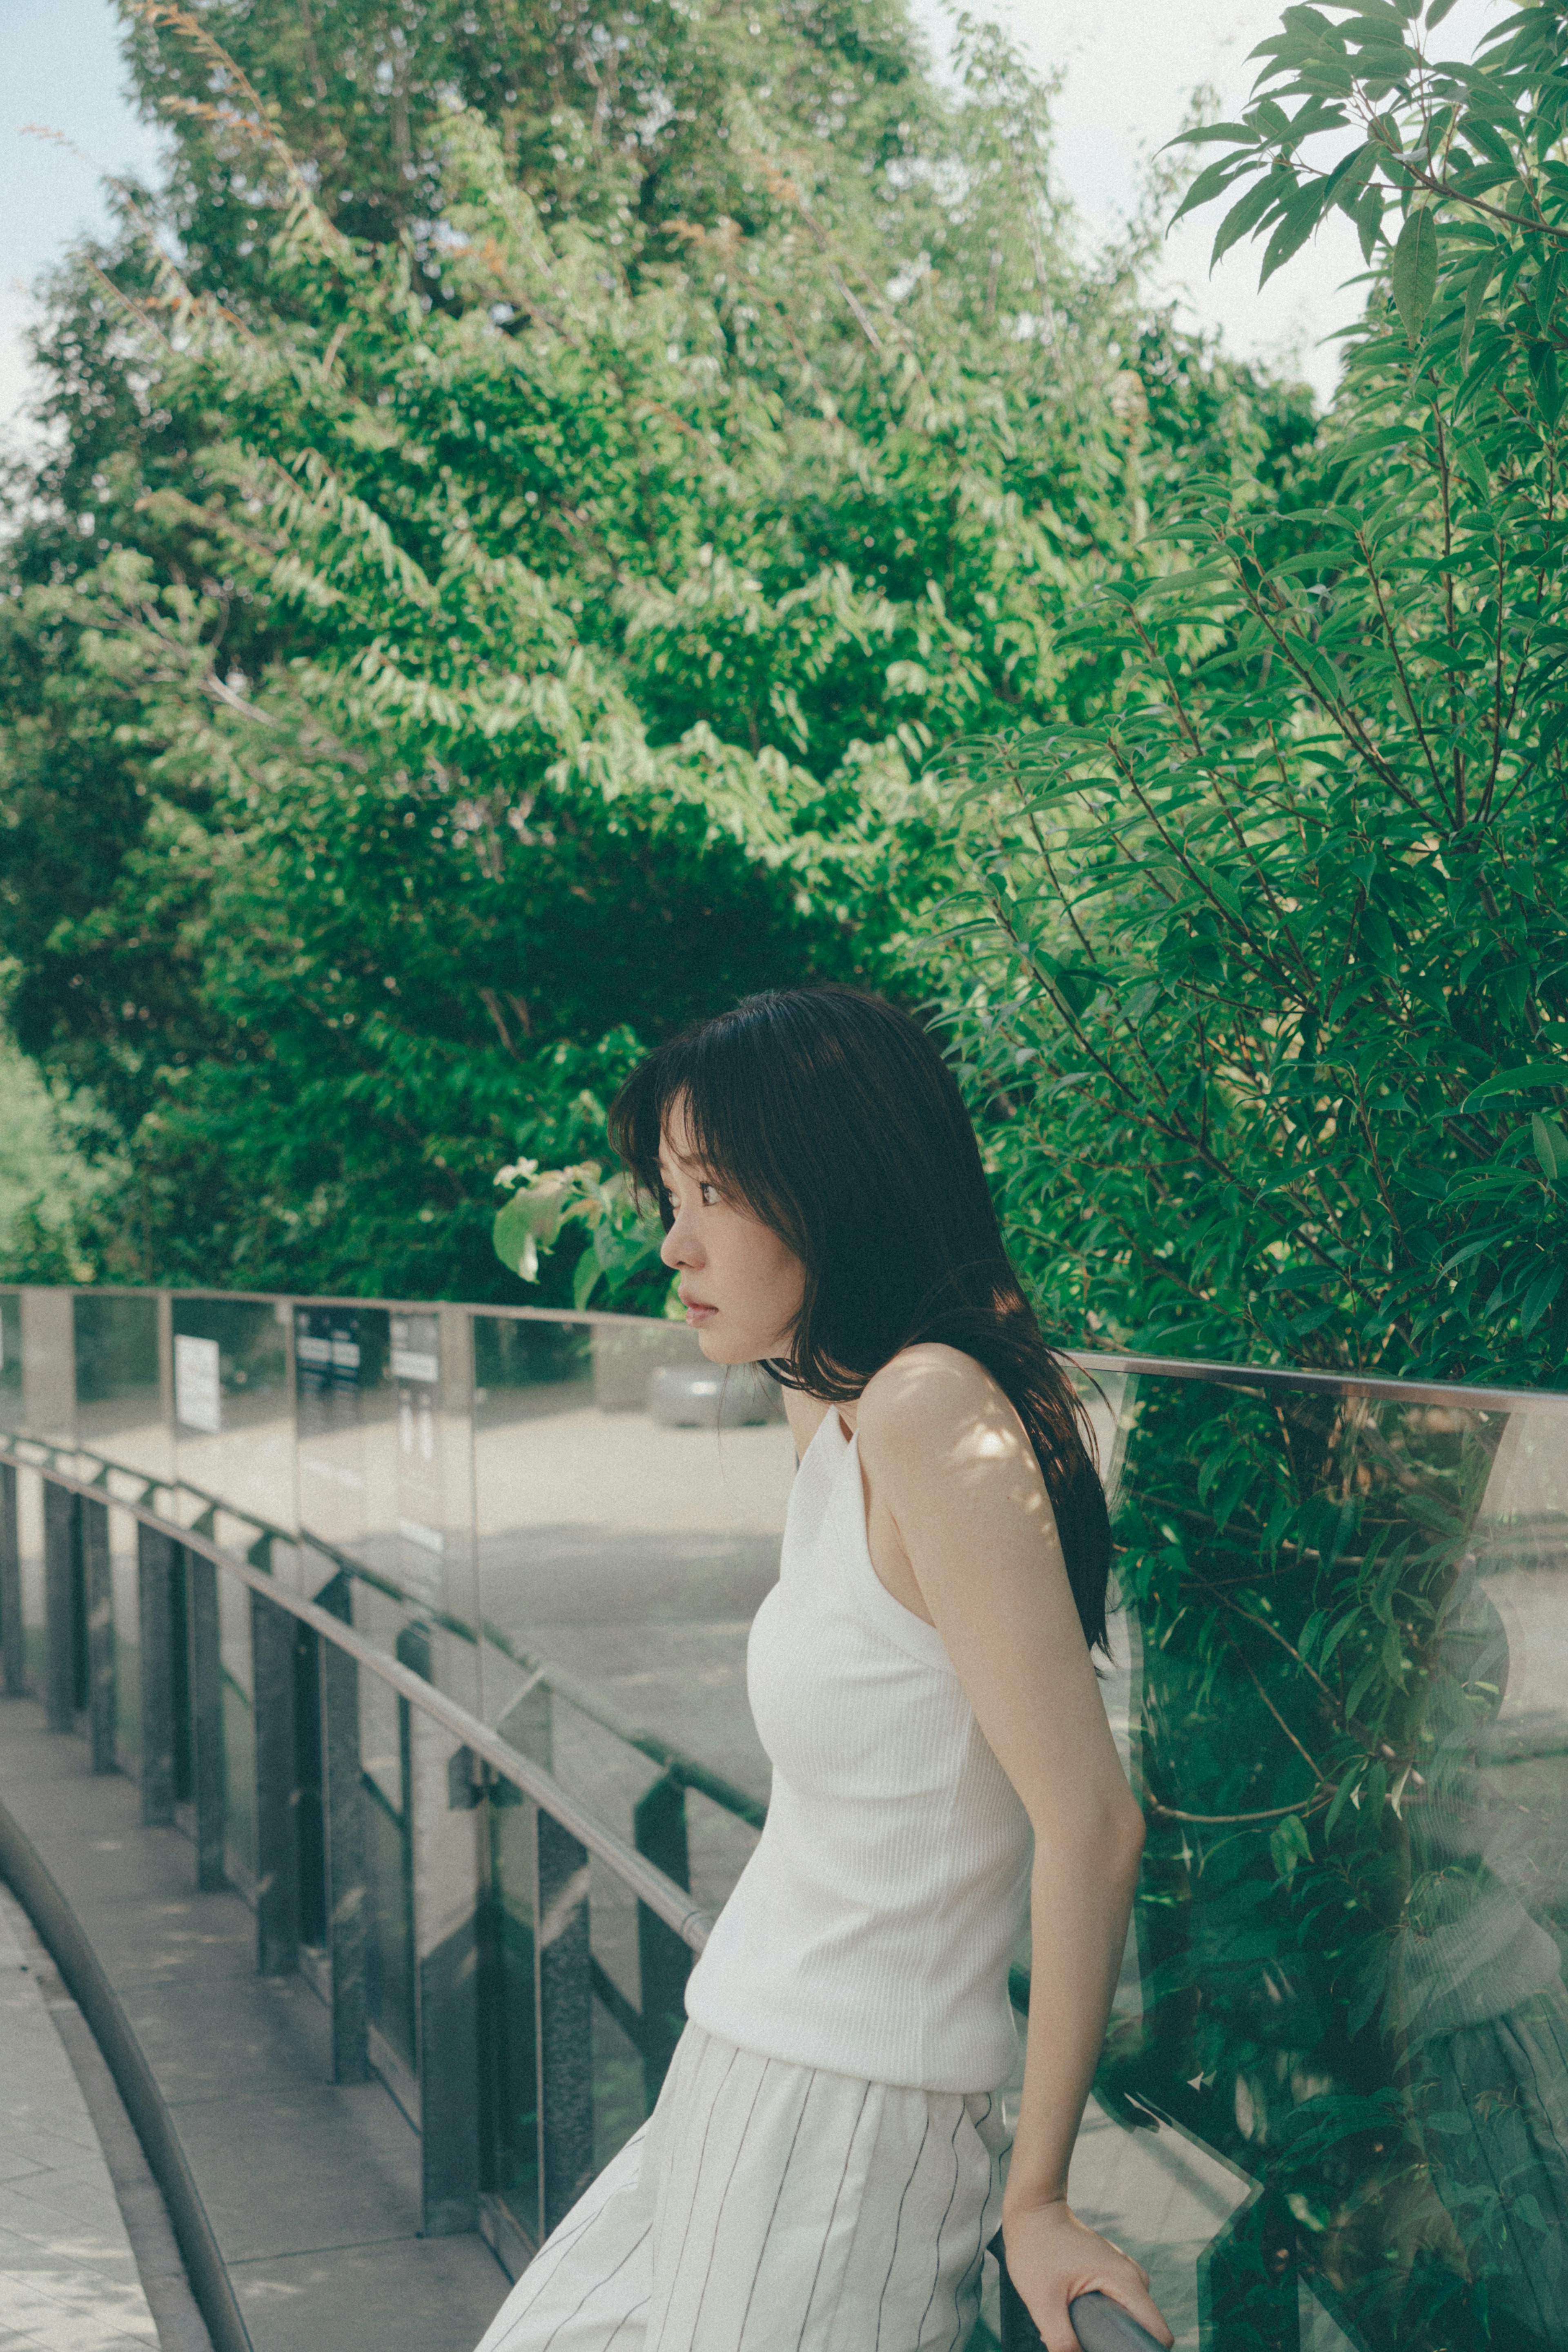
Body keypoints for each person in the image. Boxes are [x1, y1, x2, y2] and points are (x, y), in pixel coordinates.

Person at [473, 985, 1172, 2352]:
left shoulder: (927, 1407)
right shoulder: (851, 1418)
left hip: (848, 2124)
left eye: (714, 1190)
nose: (672, 1241)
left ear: (834, 1187)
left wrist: (1038, 2196)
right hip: (746, 2072)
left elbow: (1092, 1827)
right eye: (667, 1190)